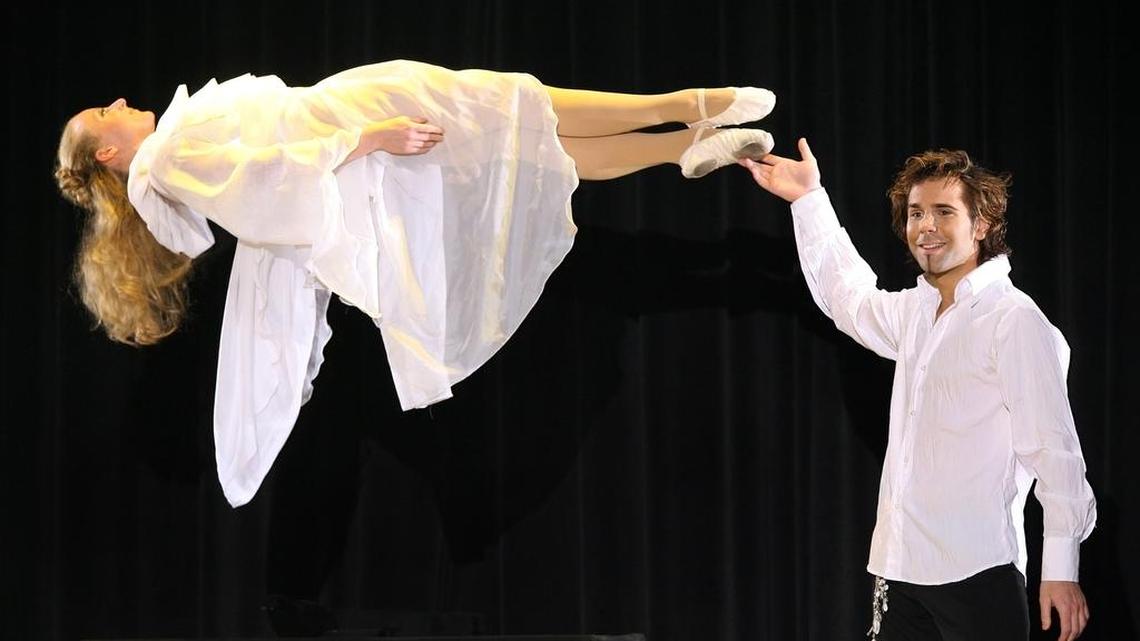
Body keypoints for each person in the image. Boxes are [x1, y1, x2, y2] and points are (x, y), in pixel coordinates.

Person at [53, 59, 777, 507]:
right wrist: (370, 138)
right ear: (110, 150)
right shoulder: (164, 160)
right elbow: (265, 179)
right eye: (103, 115)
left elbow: (263, 175)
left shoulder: (171, 156)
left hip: (358, 127)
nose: (116, 102)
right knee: (525, 107)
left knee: (529, 143)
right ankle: (690, 104)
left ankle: (685, 141)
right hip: (363, 131)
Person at [740, 140, 1096, 641]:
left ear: (983, 224)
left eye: (943, 212)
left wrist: (1061, 567)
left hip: (978, 574)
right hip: (900, 570)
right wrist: (809, 200)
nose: (924, 226)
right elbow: (849, 298)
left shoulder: (1014, 321)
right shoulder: (916, 313)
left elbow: (1054, 451)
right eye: (915, 213)